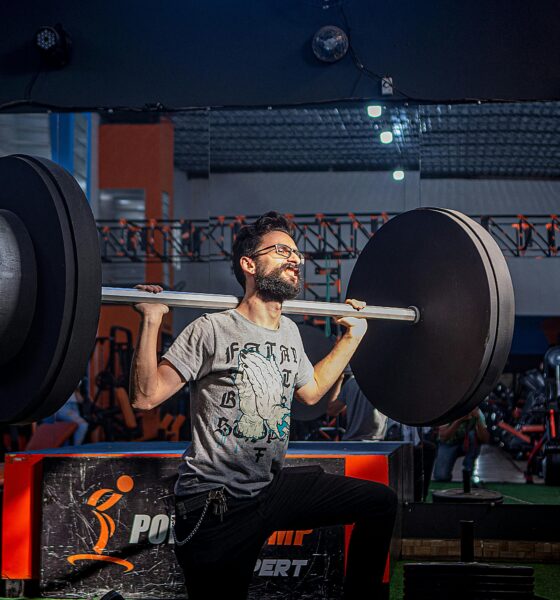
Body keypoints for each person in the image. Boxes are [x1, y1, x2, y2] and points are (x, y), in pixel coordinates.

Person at [130, 212, 397, 600]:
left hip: (269, 489)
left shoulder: (289, 331)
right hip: (215, 502)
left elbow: (311, 392)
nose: (295, 258)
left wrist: (353, 337)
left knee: (379, 503)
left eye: (296, 253)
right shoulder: (211, 329)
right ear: (249, 264)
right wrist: (152, 320)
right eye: (281, 251)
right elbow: (146, 396)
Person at [433, 407, 490, 482]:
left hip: (467, 444)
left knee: (473, 435)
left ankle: (469, 471)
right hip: (449, 443)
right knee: (441, 476)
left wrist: (478, 419)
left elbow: (485, 439)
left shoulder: (477, 412)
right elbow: (443, 437)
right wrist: (459, 420)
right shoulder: (447, 410)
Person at [328, 372, 388, 441]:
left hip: (351, 443)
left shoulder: (351, 382)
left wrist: (339, 379)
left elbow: (331, 410)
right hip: (376, 442)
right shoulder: (385, 383)